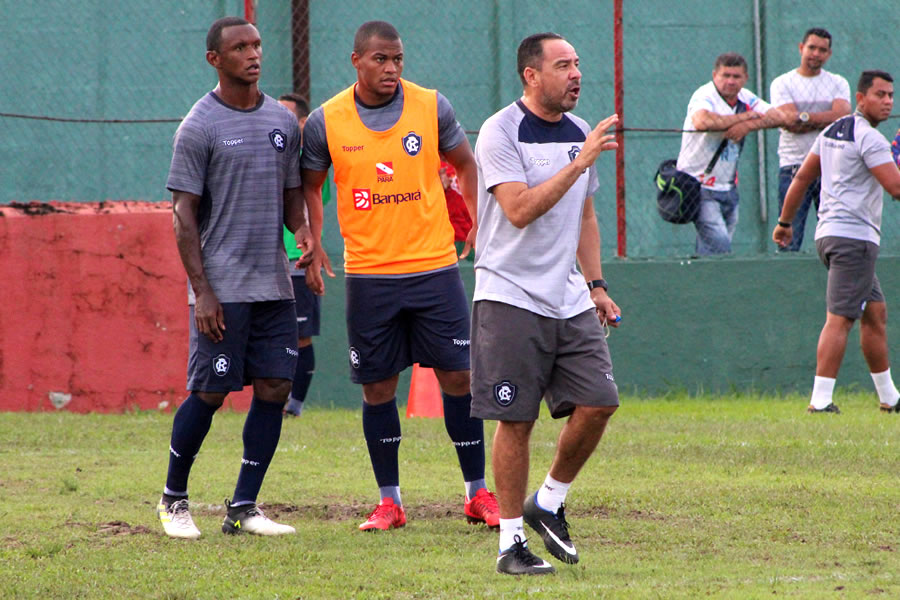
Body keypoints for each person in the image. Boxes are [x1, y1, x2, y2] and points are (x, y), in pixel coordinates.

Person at [300, 20, 498, 532]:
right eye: (381, 60)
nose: (391, 69)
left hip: (434, 268)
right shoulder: (326, 121)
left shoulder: (431, 106)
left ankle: (477, 493)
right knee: (379, 387)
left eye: (398, 60)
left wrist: (474, 220)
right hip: (369, 276)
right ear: (356, 61)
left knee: (460, 376)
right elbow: (311, 188)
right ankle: (390, 501)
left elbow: (465, 163)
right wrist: (314, 242)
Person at [157, 16, 314, 539]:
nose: (253, 54)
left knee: (274, 386)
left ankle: (243, 507)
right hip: (221, 288)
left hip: (273, 284)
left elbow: (292, 192)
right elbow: (183, 215)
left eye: (257, 44)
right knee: (210, 392)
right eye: (240, 47)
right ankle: (173, 500)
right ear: (215, 59)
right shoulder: (198, 126)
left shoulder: (281, 121)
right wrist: (202, 291)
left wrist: (304, 232)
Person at [471, 32, 620, 575]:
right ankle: (511, 543)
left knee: (600, 402)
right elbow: (518, 209)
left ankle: (549, 501)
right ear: (532, 75)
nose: (576, 74)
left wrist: (597, 284)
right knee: (516, 420)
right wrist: (576, 164)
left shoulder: (580, 132)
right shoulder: (500, 131)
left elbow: (584, 215)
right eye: (563, 65)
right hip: (509, 294)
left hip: (569, 297)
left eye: (578, 64)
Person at [773, 70, 900, 414]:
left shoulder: (830, 131)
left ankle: (890, 397)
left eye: (891, 95)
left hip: (828, 235)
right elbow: (896, 188)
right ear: (860, 99)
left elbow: (801, 176)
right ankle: (820, 400)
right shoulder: (870, 139)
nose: (888, 101)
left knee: (875, 314)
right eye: (880, 95)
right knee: (840, 318)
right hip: (854, 239)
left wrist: (785, 222)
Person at [677, 52, 785, 255]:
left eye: (736, 77)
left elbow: (779, 117)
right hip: (698, 184)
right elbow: (703, 122)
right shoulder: (705, 95)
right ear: (714, 75)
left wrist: (748, 126)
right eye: (725, 76)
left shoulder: (745, 97)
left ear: (745, 78)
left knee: (710, 249)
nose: (730, 82)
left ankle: (703, 284)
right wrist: (743, 118)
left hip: (728, 187)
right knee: (720, 247)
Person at [770, 28, 851, 251]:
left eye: (822, 50)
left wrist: (804, 116)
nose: (816, 54)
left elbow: (842, 117)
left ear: (829, 54)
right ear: (801, 48)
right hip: (794, 168)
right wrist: (824, 119)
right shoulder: (782, 83)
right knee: (789, 239)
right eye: (811, 48)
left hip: (831, 167)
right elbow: (789, 122)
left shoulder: (838, 83)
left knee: (838, 237)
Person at [277, 93, 330, 417]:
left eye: (285, 115)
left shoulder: (308, 160)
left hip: (298, 259)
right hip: (267, 260)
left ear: (301, 124)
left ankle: (294, 406)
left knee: (300, 337)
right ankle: (273, 401)